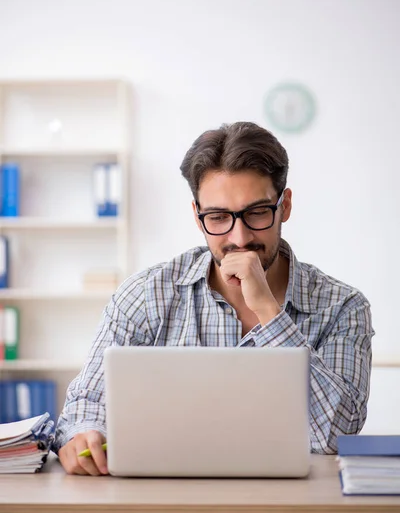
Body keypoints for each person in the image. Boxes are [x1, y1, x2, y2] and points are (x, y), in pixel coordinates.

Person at [54, 121, 374, 475]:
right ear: (197, 216)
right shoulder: (145, 295)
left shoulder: (343, 306)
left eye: (256, 213)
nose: (239, 237)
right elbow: (85, 404)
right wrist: (86, 433)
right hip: (165, 506)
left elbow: (336, 434)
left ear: (284, 206)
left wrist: (268, 311)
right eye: (219, 217)